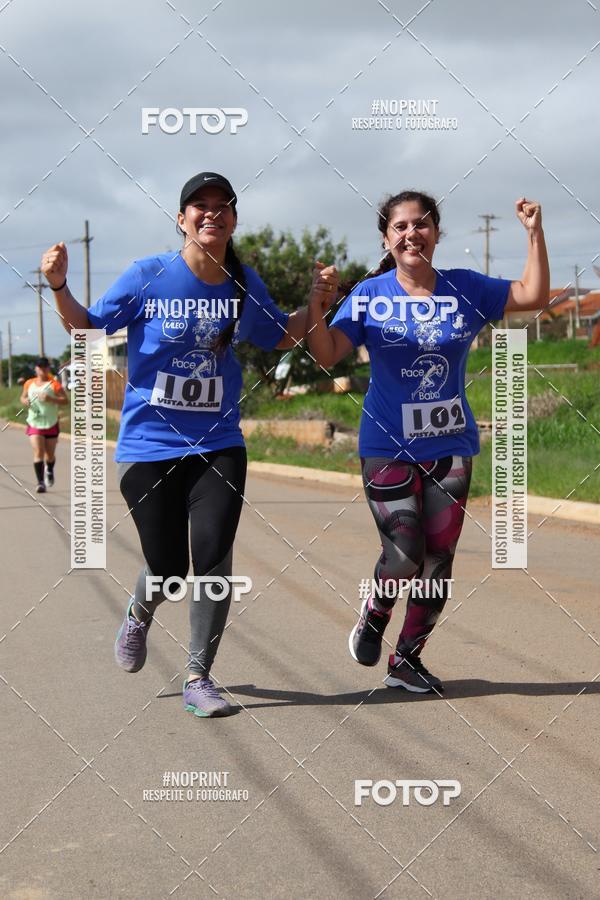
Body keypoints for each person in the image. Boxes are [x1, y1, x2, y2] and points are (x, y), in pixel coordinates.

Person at [41, 171, 336, 718]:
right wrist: (60, 287)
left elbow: (281, 333)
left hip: (218, 443)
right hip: (148, 446)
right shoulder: (148, 275)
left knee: (214, 555)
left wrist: (317, 302)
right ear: (182, 219)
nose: (211, 213)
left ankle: (199, 676)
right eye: (198, 206)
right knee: (168, 568)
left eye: (222, 206)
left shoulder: (243, 284)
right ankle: (140, 612)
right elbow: (87, 328)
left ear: (233, 220)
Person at [308, 191, 549, 693]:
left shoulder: (465, 289)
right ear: (387, 238)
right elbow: (328, 353)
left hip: (451, 446)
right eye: (400, 226)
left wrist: (533, 232)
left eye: (421, 224)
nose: (411, 233)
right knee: (404, 552)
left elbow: (532, 295)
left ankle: (407, 660)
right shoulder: (371, 294)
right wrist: (317, 306)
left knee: (439, 559)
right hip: (387, 446)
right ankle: (374, 615)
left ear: (437, 234)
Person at [20, 357, 68, 493]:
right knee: (38, 452)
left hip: (51, 422)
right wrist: (25, 401)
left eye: (45, 367)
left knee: (50, 455)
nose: (42, 369)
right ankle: (40, 482)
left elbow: (65, 401)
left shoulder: (54, 384)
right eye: (40, 367)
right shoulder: (29, 383)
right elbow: (22, 397)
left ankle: (50, 469)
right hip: (34, 422)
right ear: (36, 369)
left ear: (48, 369)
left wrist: (51, 398)